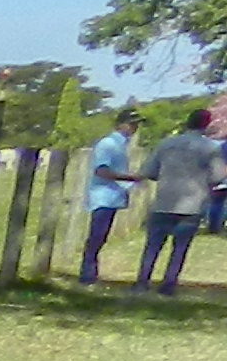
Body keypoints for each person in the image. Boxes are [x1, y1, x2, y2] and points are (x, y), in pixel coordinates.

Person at [137, 106, 218, 292]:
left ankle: (142, 281)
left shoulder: (165, 144)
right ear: (206, 124)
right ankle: (168, 284)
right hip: (192, 204)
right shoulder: (210, 148)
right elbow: (218, 176)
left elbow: (149, 171)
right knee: (179, 248)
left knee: (153, 246)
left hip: (164, 201)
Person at [81, 119, 144, 284]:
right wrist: (131, 177)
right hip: (103, 196)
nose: (134, 128)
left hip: (113, 197)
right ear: (120, 124)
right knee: (96, 236)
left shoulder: (121, 145)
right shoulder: (108, 144)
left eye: (136, 125)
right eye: (131, 124)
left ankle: (90, 274)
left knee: (101, 236)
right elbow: (102, 170)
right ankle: (87, 275)